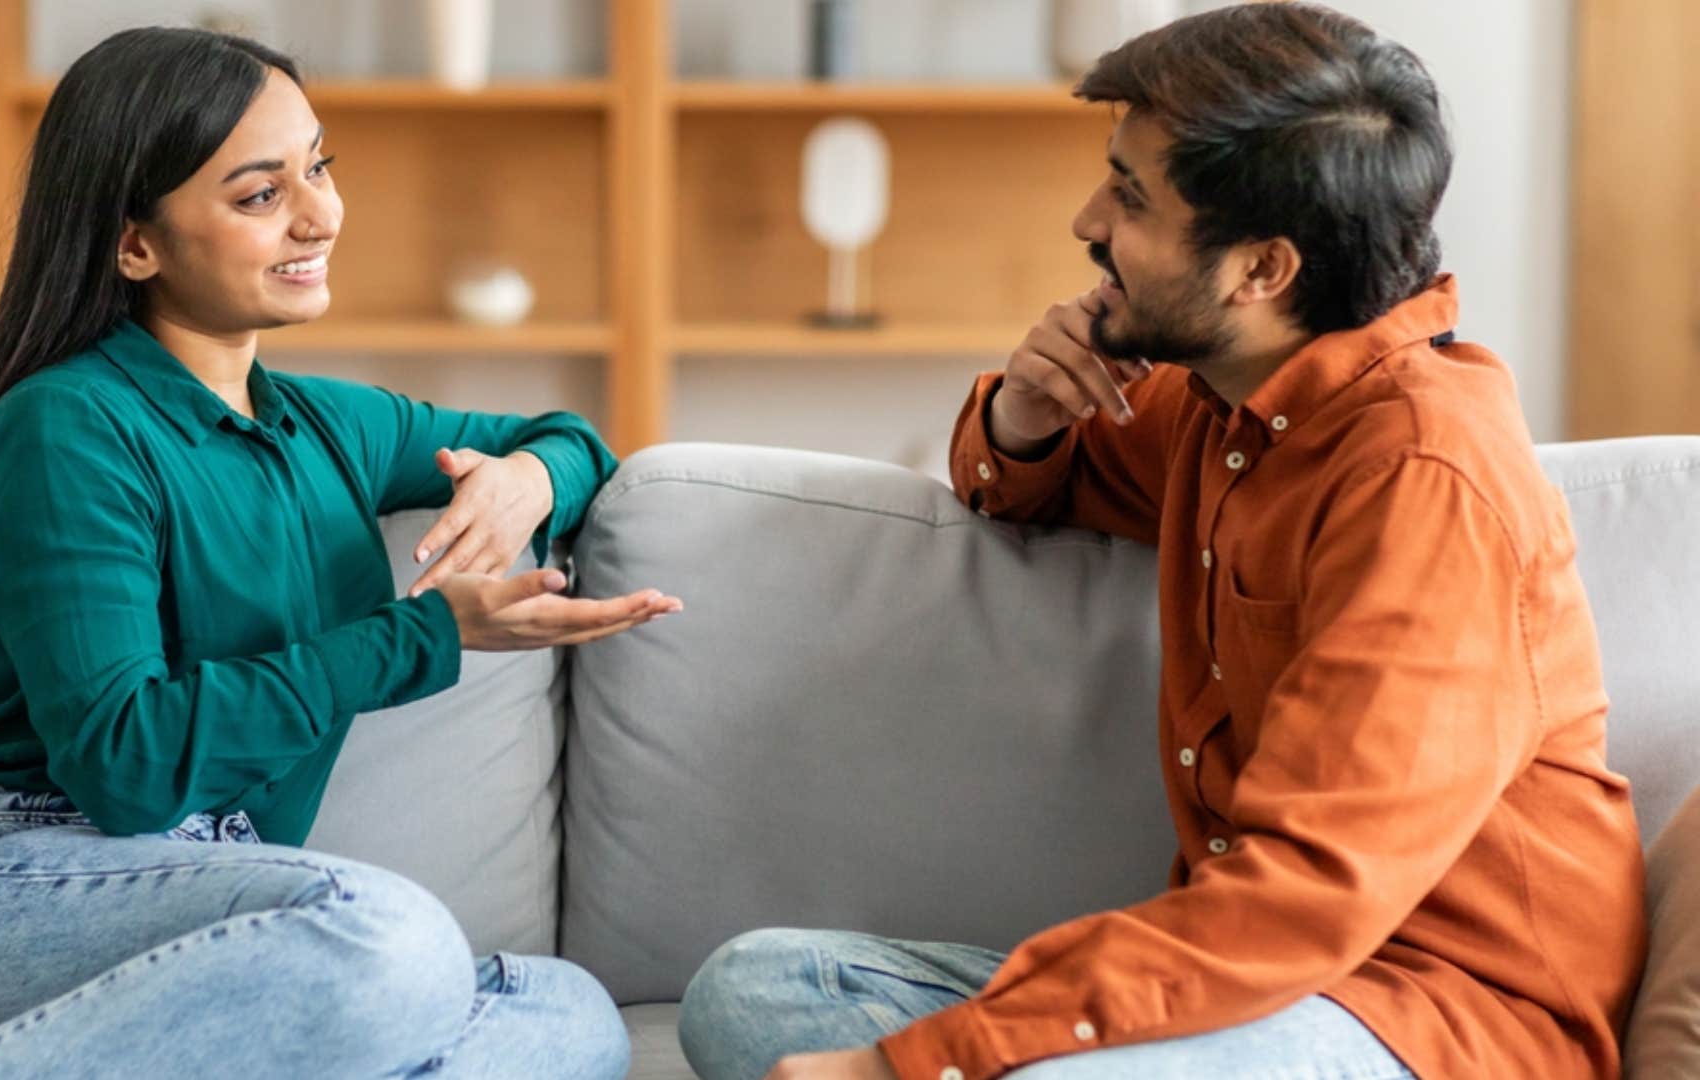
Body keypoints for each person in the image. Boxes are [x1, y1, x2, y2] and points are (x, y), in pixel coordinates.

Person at [675, 5, 1644, 1079]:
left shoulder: (1424, 478)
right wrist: (1028, 415)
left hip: (1433, 1015)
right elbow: (1024, 483)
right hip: (1254, 986)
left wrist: (911, 1064)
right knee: (760, 992)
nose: (1087, 220)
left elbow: (1301, 899)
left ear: (1262, 271)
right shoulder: (1231, 407)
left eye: (1131, 197)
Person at [0, 27, 678, 1079]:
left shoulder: (326, 425)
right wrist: (428, 634)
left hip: (219, 924)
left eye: (319, 165)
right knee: (395, 942)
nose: (320, 214)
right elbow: (126, 768)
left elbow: (570, 439)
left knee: (573, 1015)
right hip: (2, 895)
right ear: (135, 244)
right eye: (260, 195)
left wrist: (527, 482)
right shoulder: (65, 427)